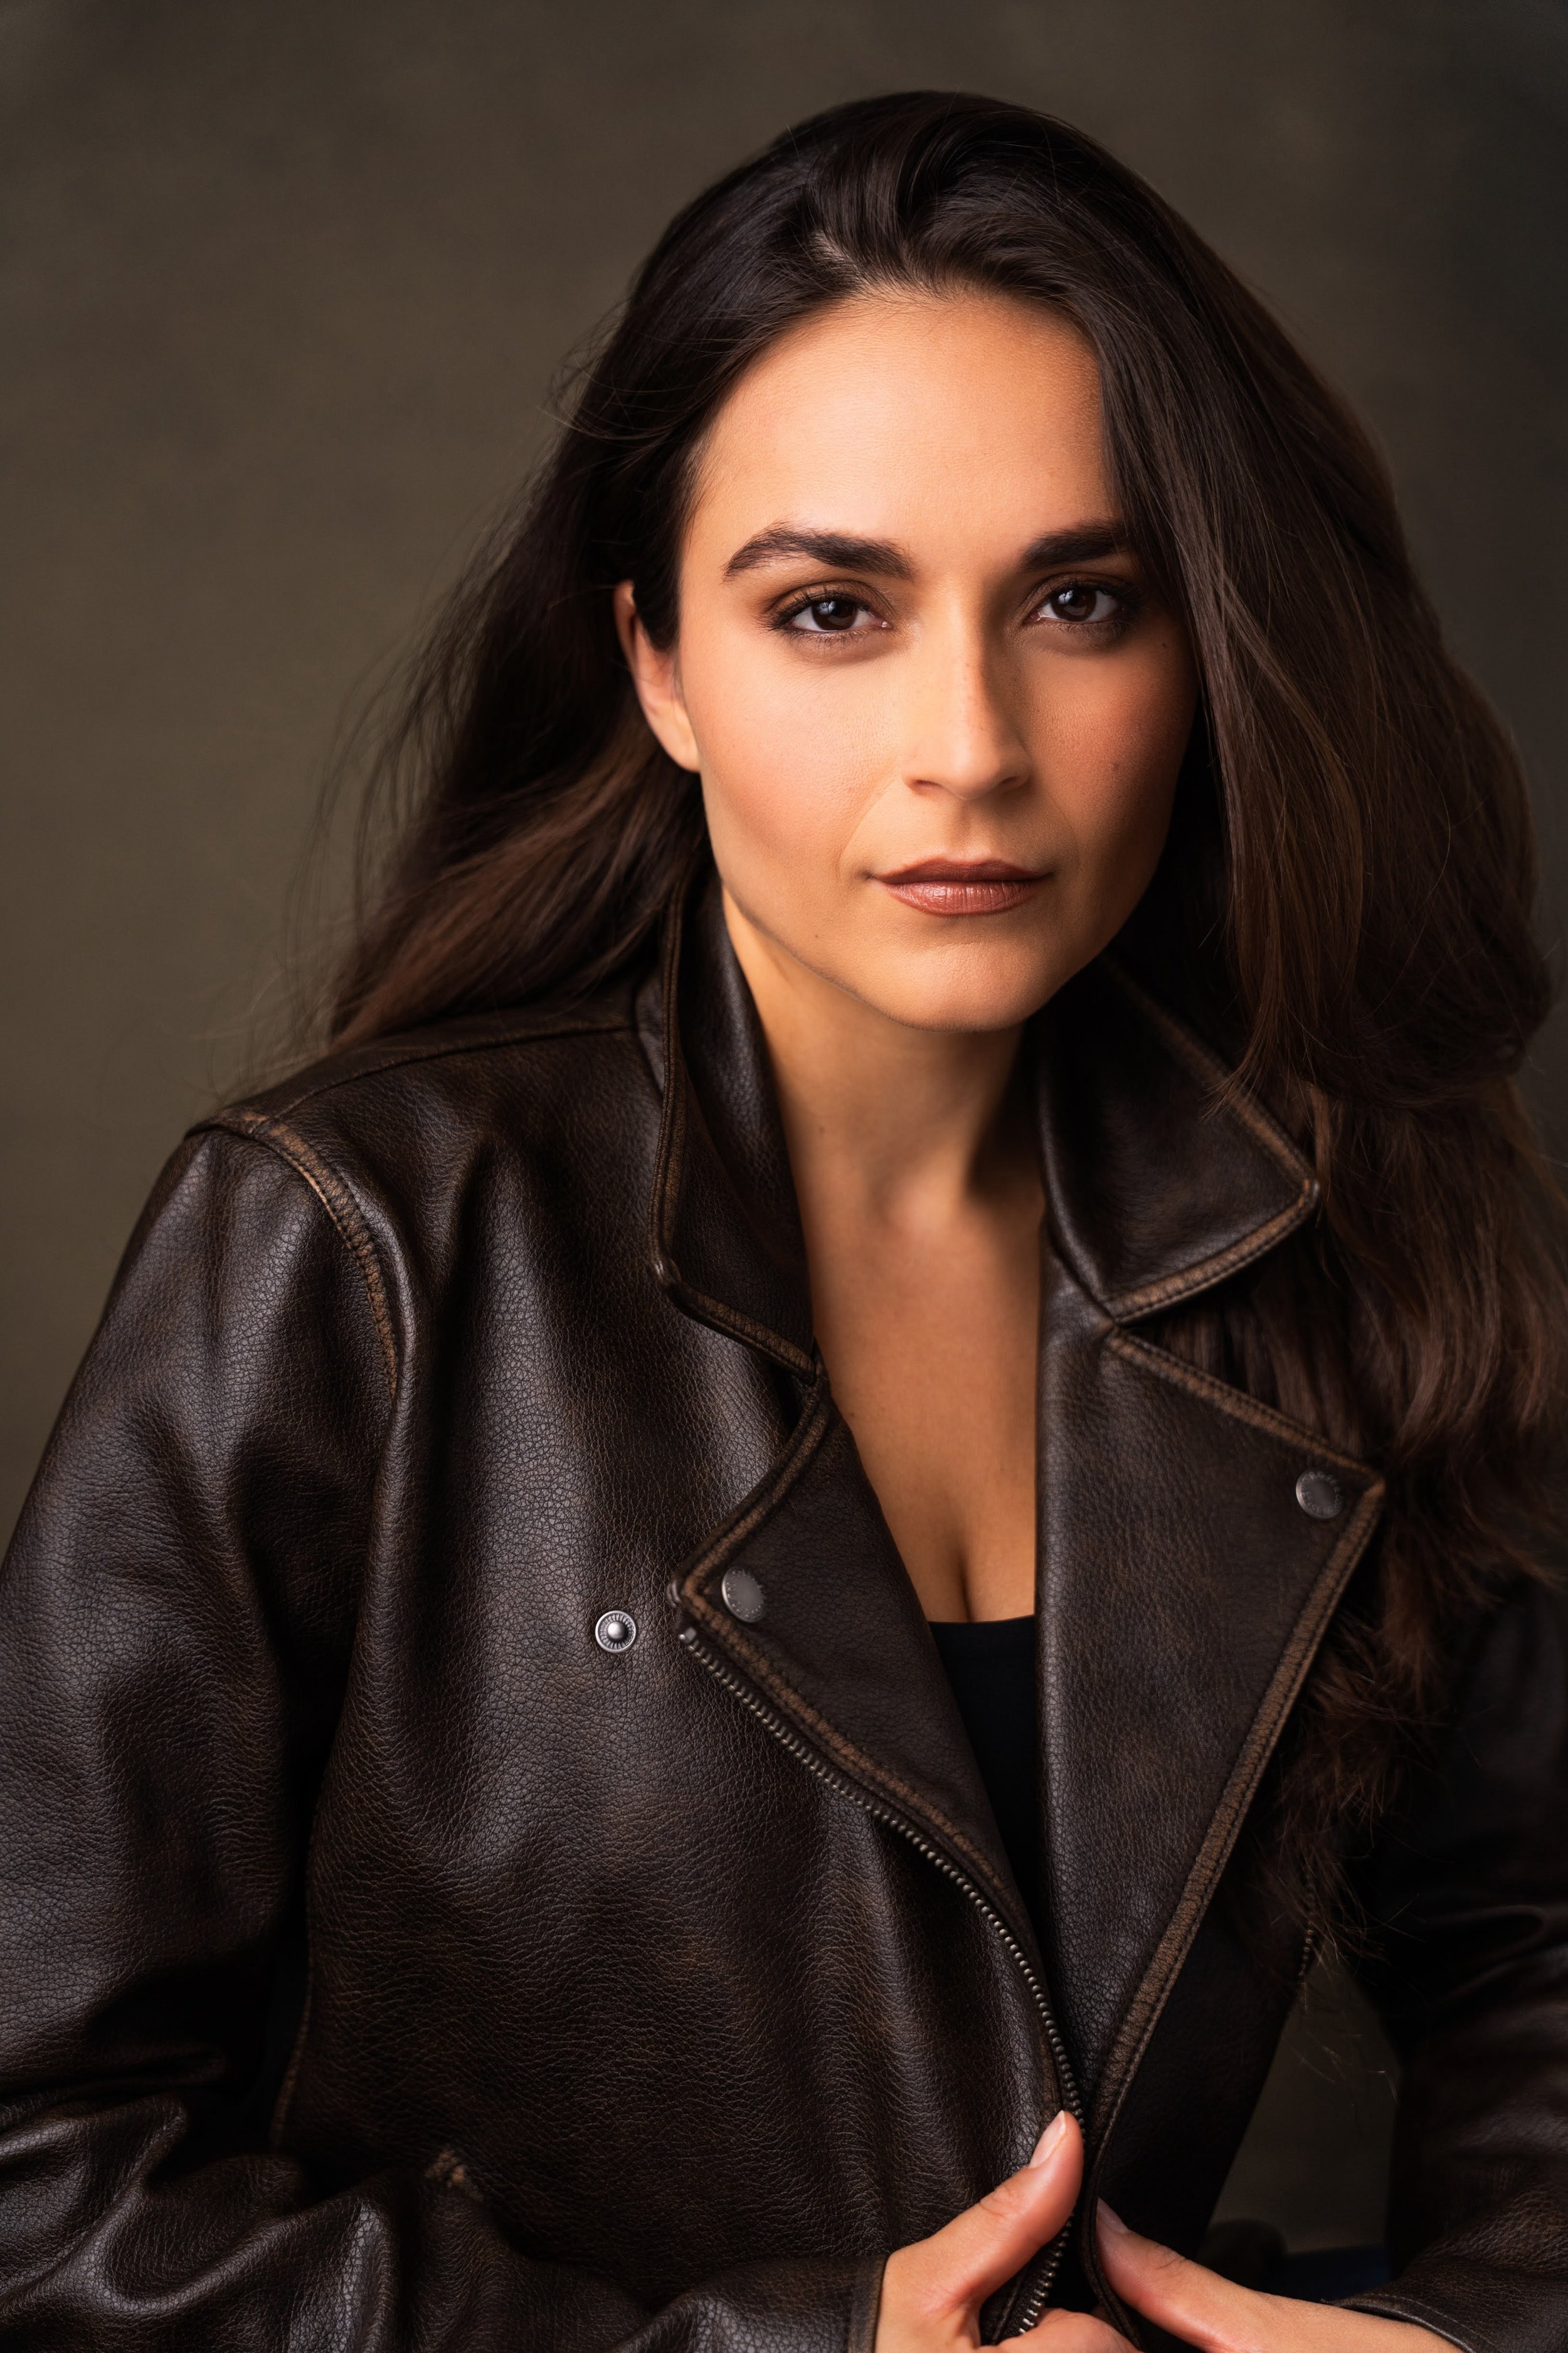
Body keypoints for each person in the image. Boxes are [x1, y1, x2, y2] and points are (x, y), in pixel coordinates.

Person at [0, 89, 1563, 2353]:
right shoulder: (348, 1247)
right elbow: (35, 2179)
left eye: (1080, 600)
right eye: (831, 609)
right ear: (656, 667)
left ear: (1202, 647)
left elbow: (1532, 1938)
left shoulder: (1337, 1229)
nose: (968, 744)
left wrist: (1473, 2332)